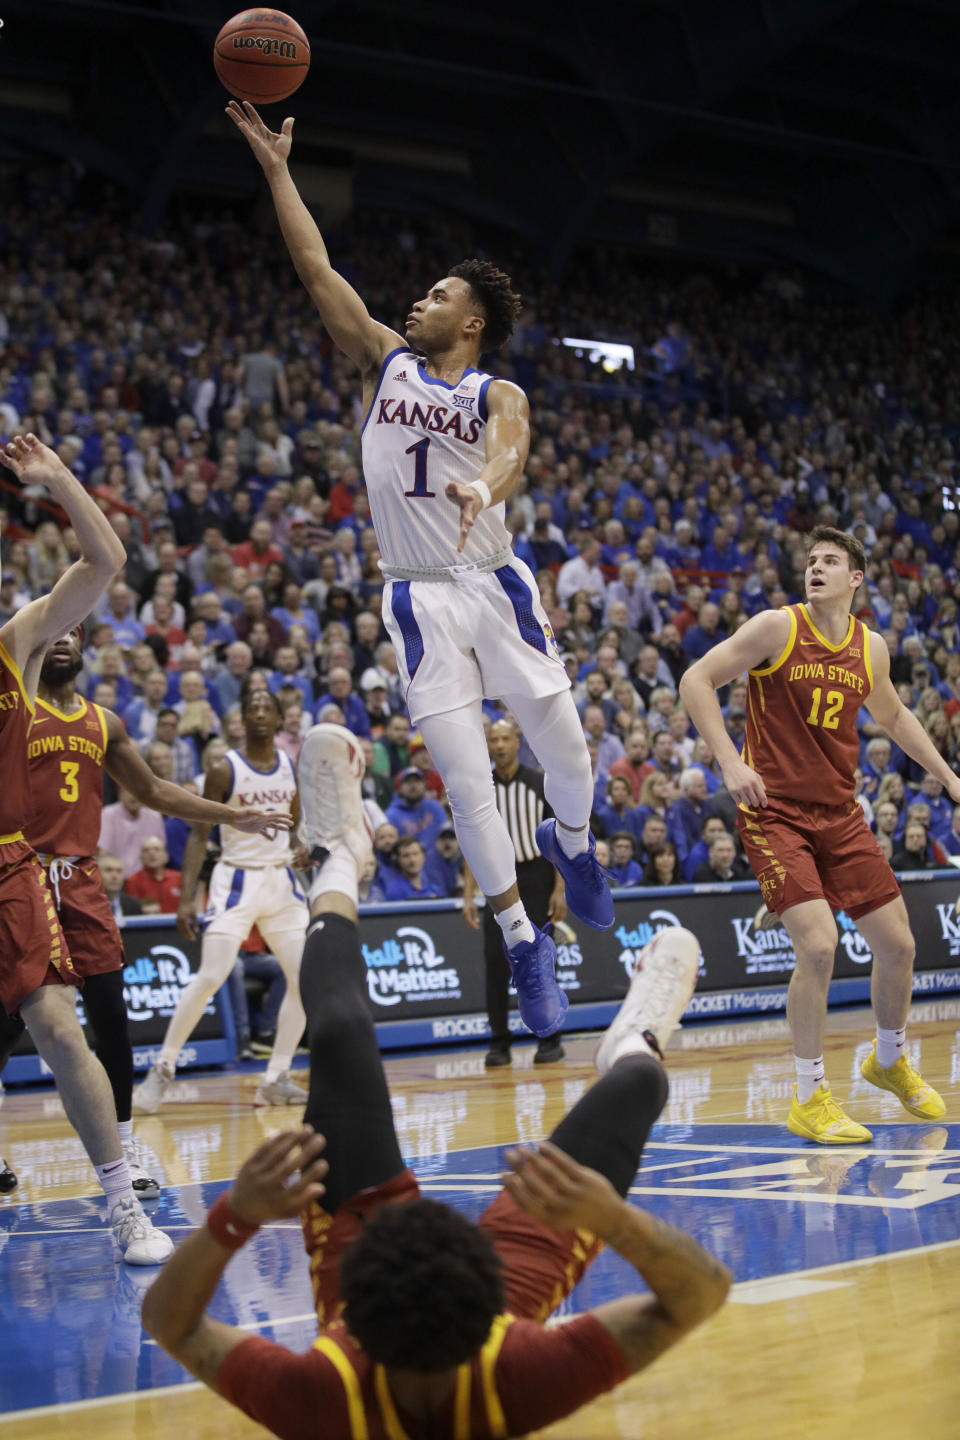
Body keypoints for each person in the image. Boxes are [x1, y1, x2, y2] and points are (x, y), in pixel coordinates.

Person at [141, 724, 731, 1436]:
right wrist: (610, 1216)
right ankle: (633, 1041)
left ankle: (335, 861)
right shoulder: (515, 1376)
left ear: (350, 1327)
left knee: (339, 1034)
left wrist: (235, 1214)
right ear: (495, 1321)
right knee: (638, 1084)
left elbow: (168, 1324)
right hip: (446, 1295)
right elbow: (700, 1294)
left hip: (388, 1268)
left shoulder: (329, 1395)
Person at [229, 101, 614, 1044]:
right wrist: (280, 171)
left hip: (493, 578)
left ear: (472, 320)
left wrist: (482, 486)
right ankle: (524, 940)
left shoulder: (496, 391)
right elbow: (317, 269)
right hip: (415, 593)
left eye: (438, 295)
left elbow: (513, 453)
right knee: (462, 780)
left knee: (566, 752)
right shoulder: (386, 362)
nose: (419, 303)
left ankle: (575, 846)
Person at [0, 625, 293, 1199]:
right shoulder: (13, 710)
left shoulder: (103, 722)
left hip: (81, 881)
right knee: (9, 1025)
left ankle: (126, 1144)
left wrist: (233, 817)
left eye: (72, 632)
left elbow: (156, 789)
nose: (60, 639)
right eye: (51, 631)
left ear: (83, 647)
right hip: (20, 872)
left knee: (112, 1017)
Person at [680, 526, 948, 1143]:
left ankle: (889, 1060)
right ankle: (809, 1095)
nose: (817, 568)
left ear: (855, 579)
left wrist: (948, 776)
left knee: (900, 947)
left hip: (839, 813)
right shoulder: (778, 627)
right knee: (821, 947)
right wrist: (729, 760)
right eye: (811, 561)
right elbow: (697, 679)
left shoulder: (870, 648)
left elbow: (894, 716)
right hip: (773, 811)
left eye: (831, 561)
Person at [0, 435, 170, 1263]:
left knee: (60, 1030)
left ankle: (121, 1206)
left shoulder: (16, 647)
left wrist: (58, 481)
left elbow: (105, 561)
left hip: (7, 866)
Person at [134, 684, 310, 1112]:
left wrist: (303, 845)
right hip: (236, 880)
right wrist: (187, 897)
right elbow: (198, 834)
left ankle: (276, 1076)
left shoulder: (290, 764)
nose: (262, 712)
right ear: (244, 720)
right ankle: (162, 1069)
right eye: (254, 706)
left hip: (281, 881)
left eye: (270, 706)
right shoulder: (224, 769)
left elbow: (296, 824)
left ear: (280, 716)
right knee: (211, 975)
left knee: (305, 979)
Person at [462, 719, 566, 1067]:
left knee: (540, 958)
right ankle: (499, 1042)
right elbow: (470, 841)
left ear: (517, 741)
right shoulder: (481, 787)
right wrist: (467, 893)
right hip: (496, 878)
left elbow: (557, 840)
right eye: (494, 740)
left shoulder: (538, 782)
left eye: (506, 738)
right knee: (496, 961)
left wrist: (560, 888)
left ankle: (550, 1038)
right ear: (487, 745)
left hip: (537, 875)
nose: (501, 745)